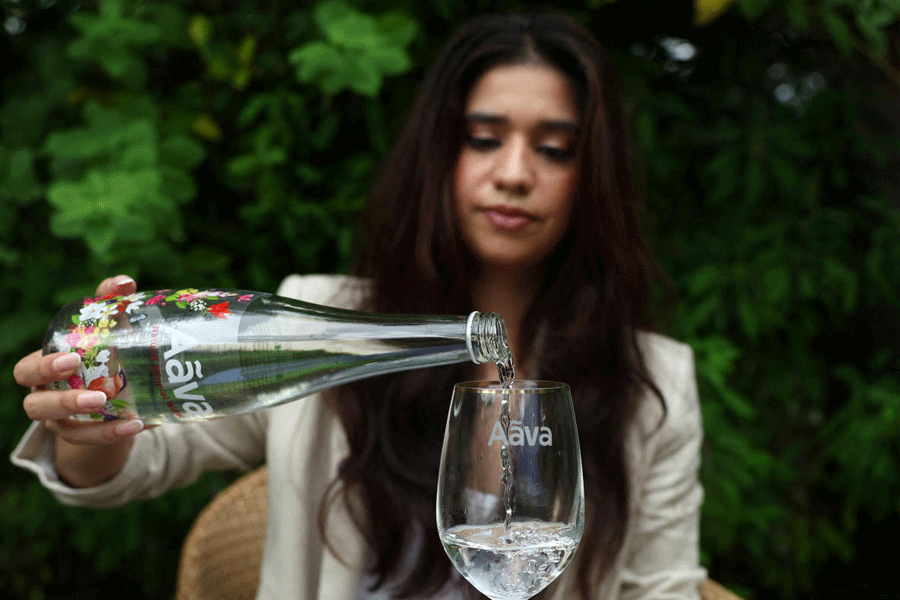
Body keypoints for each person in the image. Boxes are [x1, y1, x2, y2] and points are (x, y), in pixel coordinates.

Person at [12, 10, 706, 600]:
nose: (515, 173)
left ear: (592, 179)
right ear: (440, 155)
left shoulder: (655, 384)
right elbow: (140, 465)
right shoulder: (314, 316)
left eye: (554, 149)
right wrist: (88, 432)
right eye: (485, 139)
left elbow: (664, 588)